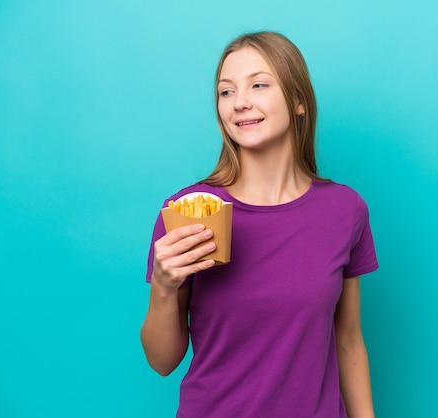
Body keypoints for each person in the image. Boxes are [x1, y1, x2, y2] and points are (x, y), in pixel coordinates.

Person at [141, 31, 378, 418]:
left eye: (259, 84)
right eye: (226, 92)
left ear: (299, 100)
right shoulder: (189, 211)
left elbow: (348, 339)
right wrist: (165, 289)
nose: (240, 103)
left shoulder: (345, 210)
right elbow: (162, 362)